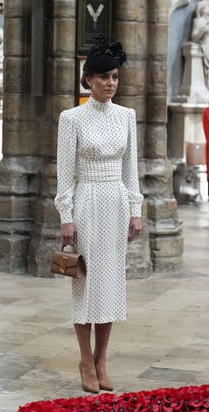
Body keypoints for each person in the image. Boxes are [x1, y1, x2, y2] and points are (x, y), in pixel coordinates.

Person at [55, 38, 143, 393]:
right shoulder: (71, 117)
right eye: (103, 77)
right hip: (86, 201)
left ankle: (102, 359)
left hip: (116, 202)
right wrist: (66, 214)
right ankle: (84, 359)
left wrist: (136, 209)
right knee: (84, 283)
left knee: (109, 285)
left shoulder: (127, 116)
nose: (110, 83)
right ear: (88, 79)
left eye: (115, 77)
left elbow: (130, 167)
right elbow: (65, 171)